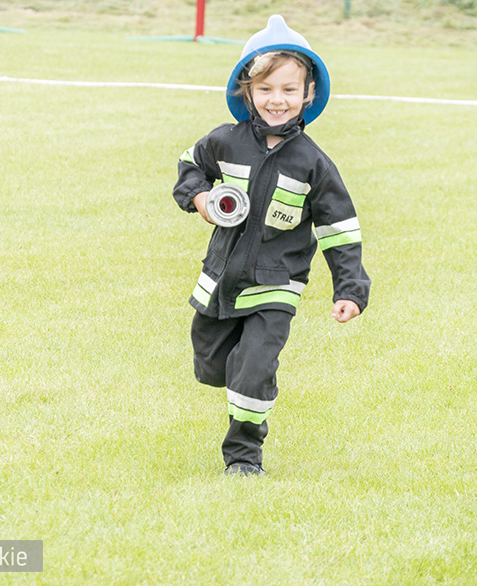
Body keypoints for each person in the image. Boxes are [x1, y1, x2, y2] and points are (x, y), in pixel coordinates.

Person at [173, 15, 371, 476]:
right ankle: (241, 372)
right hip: (221, 280)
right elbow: (189, 164)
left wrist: (350, 289)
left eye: (288, 90)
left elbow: (339, 229)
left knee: (253, 367)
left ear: (308, 93)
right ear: (248, 91)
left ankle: (244, 458)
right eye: (265, 90)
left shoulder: (314, 165)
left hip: (277, 284)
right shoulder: (225, 140)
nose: (276, 100)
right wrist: (200, 198)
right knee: (211, 362)